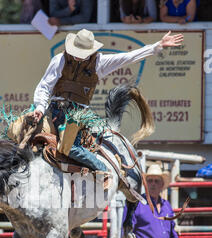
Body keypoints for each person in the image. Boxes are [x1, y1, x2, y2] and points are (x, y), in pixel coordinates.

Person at [31, 29, 183, 173]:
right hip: (56, 110)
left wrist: (156, 47)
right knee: (24, 131)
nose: (77, 56)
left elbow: (127, 57)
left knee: (70, 147)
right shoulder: (60, 60)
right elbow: (45, 86)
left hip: (77, 115)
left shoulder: (99, 63)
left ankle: (103, 169)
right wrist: (39, 108)